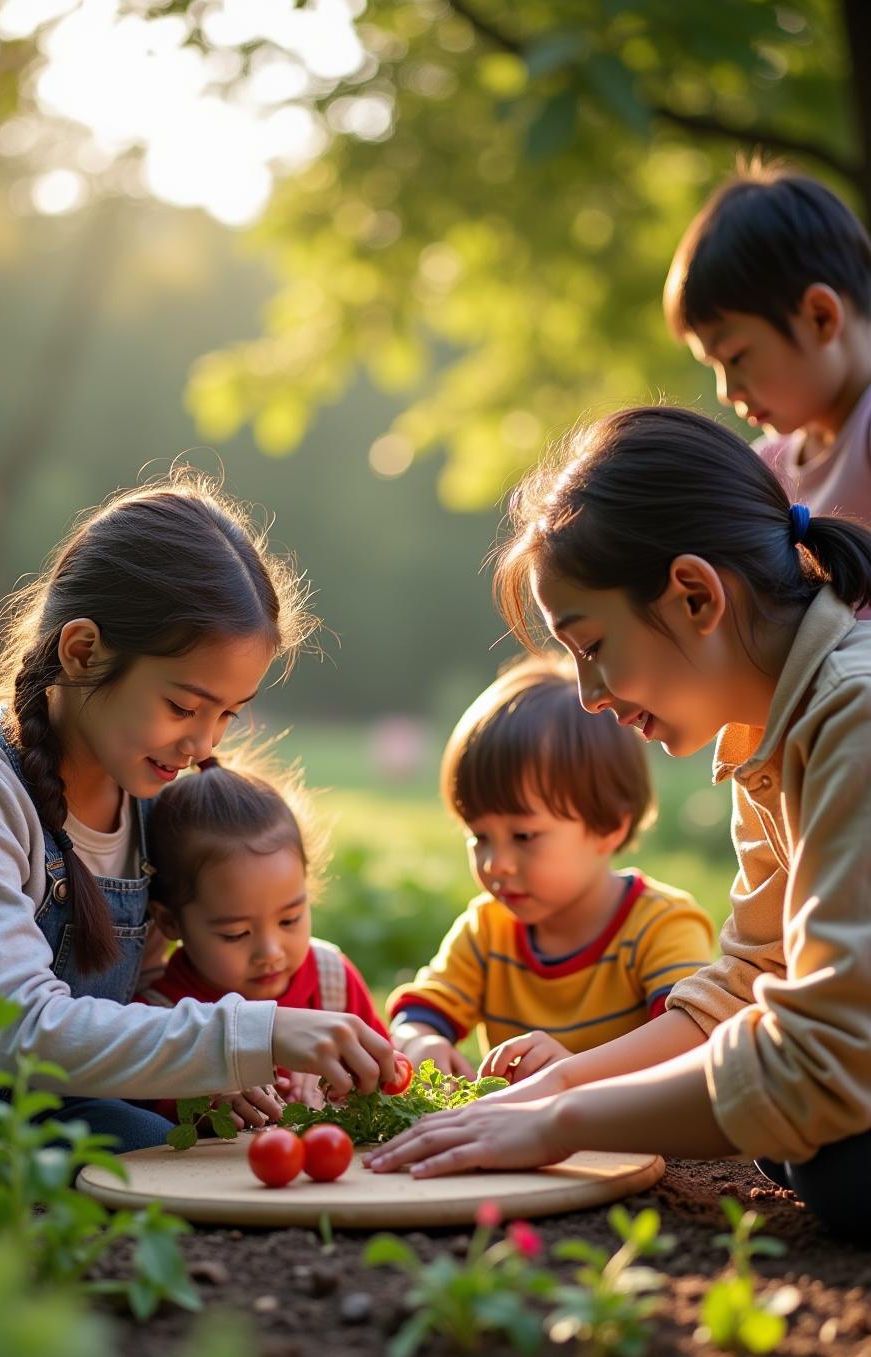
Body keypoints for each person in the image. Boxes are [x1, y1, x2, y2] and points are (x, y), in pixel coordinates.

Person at [367, 406, 871, 1246]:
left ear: (696, 594)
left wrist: (563, 1125)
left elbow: (826, 1057)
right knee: (798, 1143)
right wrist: (539, 1097)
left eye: (591, 643)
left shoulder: (852, 715)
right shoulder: (767, 730)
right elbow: (748, 981)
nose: (589, 692)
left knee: (834, 1158)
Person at [0, 473, 395, 1217]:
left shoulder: (159, 801)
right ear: (81, 651)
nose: (203, 744)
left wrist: (214, 1072)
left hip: (50, 1091)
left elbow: (148, 989)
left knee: (182, 1171)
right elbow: (24, 1029)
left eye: (228, 715)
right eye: (182, 705)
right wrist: (258, 1033)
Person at [387, 657, 714, 1080]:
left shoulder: (660, 926)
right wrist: (421, 1040)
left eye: (524, 836)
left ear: (608, 827)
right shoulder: (488, 931)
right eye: (479, 836)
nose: (495, 863)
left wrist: (575, 1072)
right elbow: (419, 1012)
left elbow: (691, 1044)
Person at [137, 750, 390, 1127]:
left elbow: (390, 1075)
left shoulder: (331, 981)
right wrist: (199, 1103)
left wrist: (349, 1081)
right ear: (170, 921)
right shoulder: (159, 1020)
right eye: (236, 933)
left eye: (290, 920)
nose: (270, 953)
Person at [665, 162, 871, 528]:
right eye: (713, 365)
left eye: (736, 356)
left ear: (820, 317)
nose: (726, 392)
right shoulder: (766, 469)